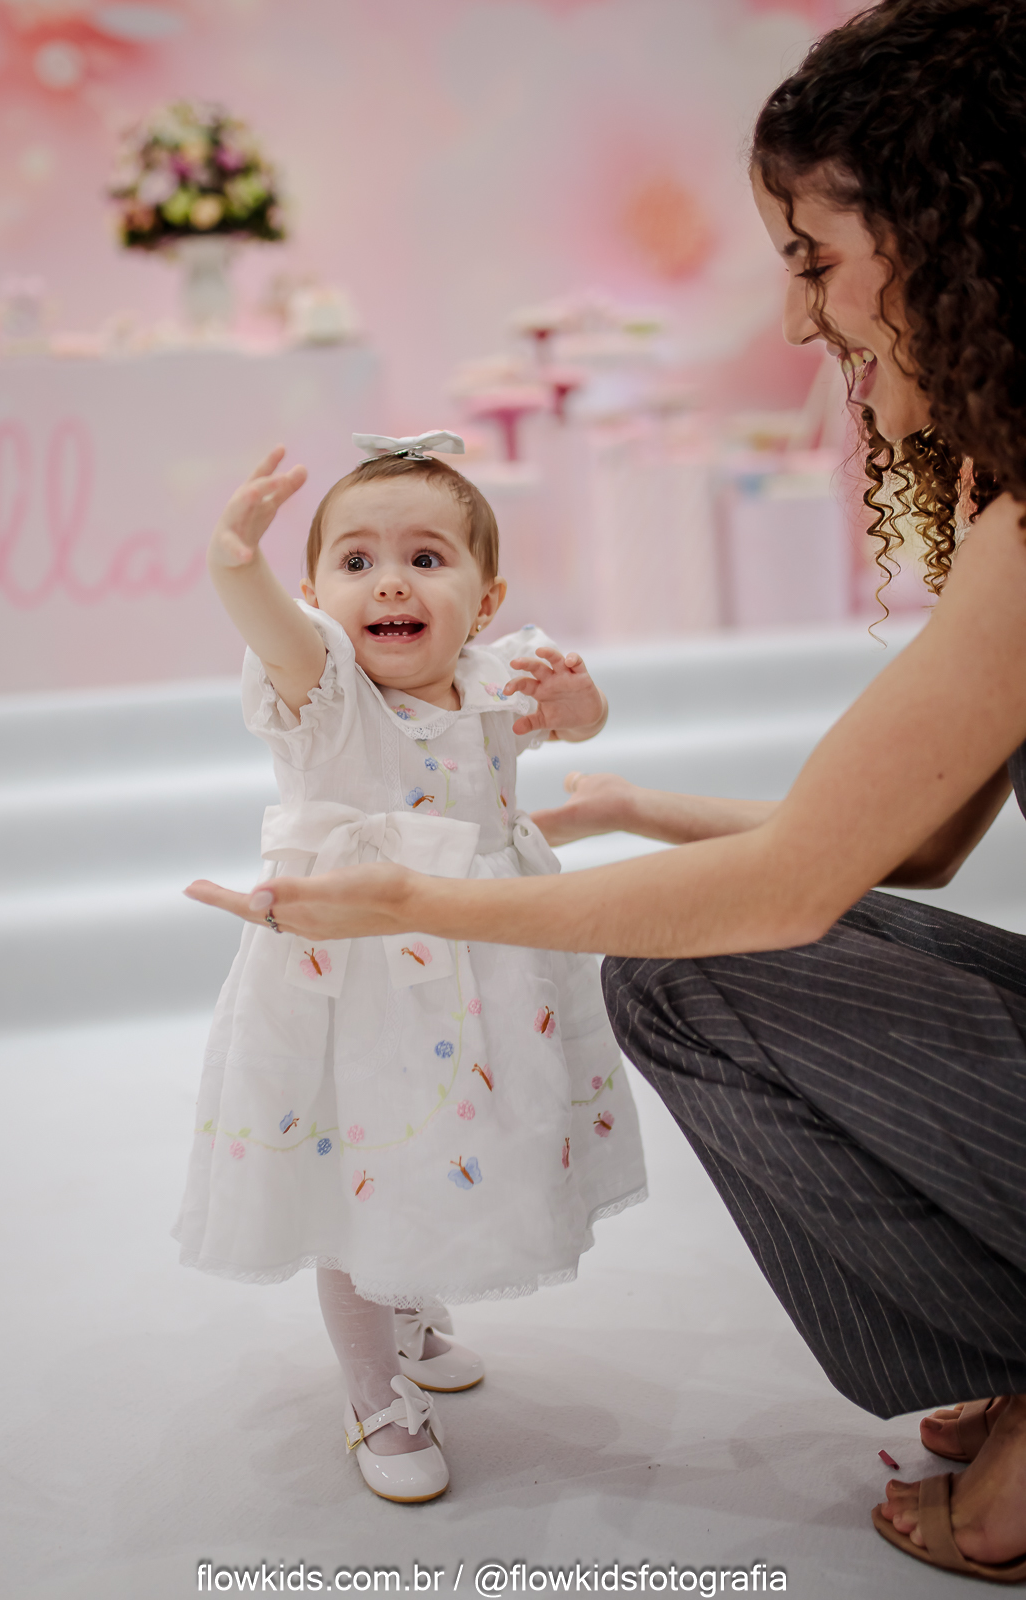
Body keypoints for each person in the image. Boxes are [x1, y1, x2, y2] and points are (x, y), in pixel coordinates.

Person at [186, 0, 1026, 1575]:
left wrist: (421, 895)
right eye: (354, 560)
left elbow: (791, 887)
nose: (795, 321)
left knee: (685, 970)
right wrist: (628, 799)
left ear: (955, 237)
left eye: (814, 261)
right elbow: (906, 841)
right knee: (676, 972)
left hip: (432, 923)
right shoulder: (1007, 515)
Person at [175, 430, 647, 1504]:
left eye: (426, 558)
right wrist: (234, 562)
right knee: (364, 1160)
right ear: (314, 597)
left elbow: (576, 723)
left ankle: (411, 1306)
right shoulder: (326, 687)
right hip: (360, 977)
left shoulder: (488, 678)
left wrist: (579, 704)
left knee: (452, 1137)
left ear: (486, 600)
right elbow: (267, 623)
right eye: (356, 561)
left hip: (487, 959)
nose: (389, 581)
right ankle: (371, 1391)